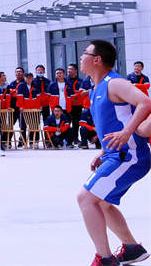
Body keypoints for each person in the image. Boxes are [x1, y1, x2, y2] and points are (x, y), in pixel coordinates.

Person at [76, 40, 151, 266]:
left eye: (85, 53)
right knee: (101, 203)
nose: (81, 57)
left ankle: (105, 259)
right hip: (116, 155)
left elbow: (145, 102)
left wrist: (127, 133)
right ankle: (132, 249)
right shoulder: (95, 89)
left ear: (97, 59)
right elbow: (113, 122)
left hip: (131, 155)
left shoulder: (115, 83)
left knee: (86, 199)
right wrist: (103, 151)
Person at [65, 63, 85, 144]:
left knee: (76, 122)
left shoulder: (81, 81)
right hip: (68, 104)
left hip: (78, 104)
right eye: (68, 69)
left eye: (71, 69)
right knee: (67, 121)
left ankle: (76, 137)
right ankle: (67, 138)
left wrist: (76, 96)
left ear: (76, 70)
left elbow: (82, 91)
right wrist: (72, 97)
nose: (69, 70)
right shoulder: (65, 80)